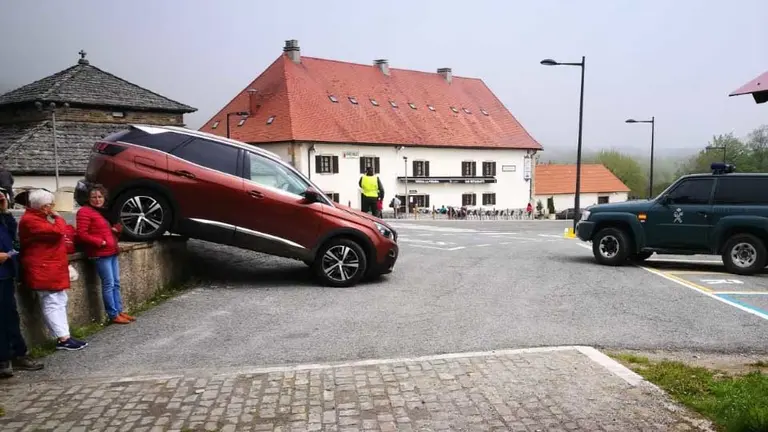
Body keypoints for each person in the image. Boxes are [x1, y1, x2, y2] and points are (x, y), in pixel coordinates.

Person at [19, 189, 87, 351]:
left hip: (50, 266)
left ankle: (65, 335)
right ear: (44, 207)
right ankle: (63, 338)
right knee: (52, 302)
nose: (53, 207)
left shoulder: (37, 218)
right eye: (51, 205)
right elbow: (58, 231)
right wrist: (57, 217)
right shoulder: (31, 220)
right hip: (43, 267)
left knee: (59, 299)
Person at [0, 188, 43, 378]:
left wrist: (4, 211)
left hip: (6, 273)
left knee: (10, 316)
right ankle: (3, 359)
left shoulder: (3, 218)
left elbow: (12, 236)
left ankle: (18, 354)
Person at [76, 184, 133, 325]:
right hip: (100, 252)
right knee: (109, 284)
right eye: (93, 197)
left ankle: (119, 311)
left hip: (112, 251)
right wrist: (99, 242)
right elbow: (82, 234)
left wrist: (117, 230)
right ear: (88, 198)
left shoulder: (104, 211)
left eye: (100, 197)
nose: (97, 200)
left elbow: (111, 229)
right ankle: (113, 314)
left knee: (116, 283)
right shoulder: (84, 212)